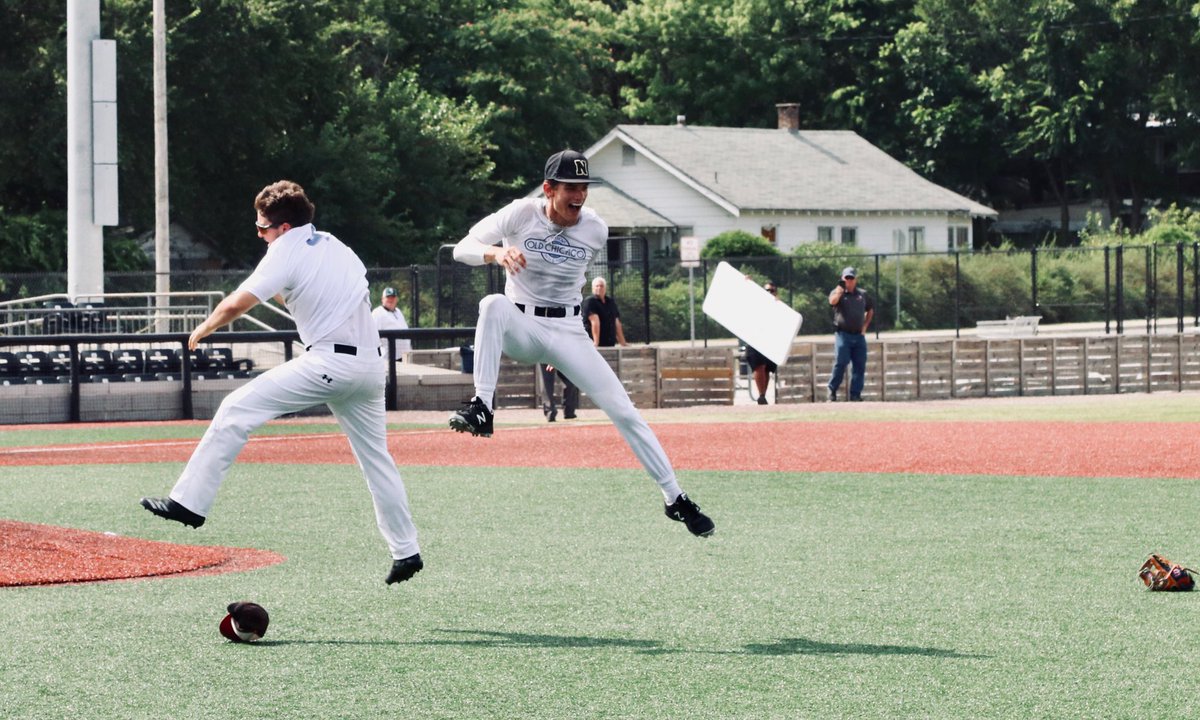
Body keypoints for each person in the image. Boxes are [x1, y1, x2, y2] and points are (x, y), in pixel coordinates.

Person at [139, 180, 424, 585]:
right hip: (369, 369)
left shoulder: (285, 249)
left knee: (236, 409)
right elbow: (301, 293)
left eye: (262, 228)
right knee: (378, 461)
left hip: (329, 362)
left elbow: (239, 302)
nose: (260, 235)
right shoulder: (335, 246)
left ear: (284, 228)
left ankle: (188, 504)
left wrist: (205, 326)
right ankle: (406, 550)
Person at [447, 149, 714, 537]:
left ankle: (674, 497)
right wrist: (496, 251)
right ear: (548, 188)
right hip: (522, 323)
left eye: (584, 187)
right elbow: (460, 249)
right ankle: (482, 407)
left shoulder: (596, 228)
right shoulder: (520, 213)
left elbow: (572, 283)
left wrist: (569, 350)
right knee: (491, 304)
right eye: (570, 187)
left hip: (568, 332)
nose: (579, 195)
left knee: (625, 411)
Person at [826, 266, 874, 402]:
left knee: (860, 364)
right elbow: (832, 302)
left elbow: (870, 310)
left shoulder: (862, 294)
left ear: (855, 279)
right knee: (841, 362)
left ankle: (855, 394)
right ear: (842, 279)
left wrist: (865, 326)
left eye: (851, 278)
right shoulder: (837, 293)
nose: (849, 281)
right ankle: (832, 390)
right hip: (843, 334)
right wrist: (839, 292)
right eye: (846, 278)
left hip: (859, 335)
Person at [745, 280, 779, 405]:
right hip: (755, 339)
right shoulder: (756, 304)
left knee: (767, 369)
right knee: (760, 366)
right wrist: (746, 283)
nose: (769, 293)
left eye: (772, 291)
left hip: (770, 340)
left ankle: (762, 396)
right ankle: (761, 395)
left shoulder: (780, 306)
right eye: (766, 291)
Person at [581, 276, 627, 348]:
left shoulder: (610, 301)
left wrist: (623, 342)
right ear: (593, 288)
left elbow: (616, 322)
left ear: (605, 288)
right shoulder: (590, 301)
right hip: (593, 344)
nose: (599, 288)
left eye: (601, 286)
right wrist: (596, 343)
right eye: (597, 286)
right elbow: (595, 322)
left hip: (609, 343)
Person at [372, 286, 413, 359]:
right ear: (382, 299)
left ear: (396, 299)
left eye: (393, 297)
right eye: (388, 297)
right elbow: (372, 336)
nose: (390, 300)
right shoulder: (377, 313)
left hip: (404, 357)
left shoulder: (398, 312)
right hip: (388, 359)